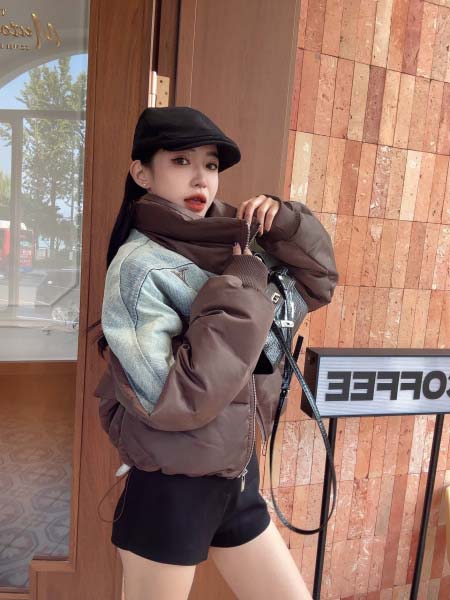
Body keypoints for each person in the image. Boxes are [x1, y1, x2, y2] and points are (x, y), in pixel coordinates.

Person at [93, 106, 338, 600]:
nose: (200, 178)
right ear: (142, 172)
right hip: (172, 492)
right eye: (181, 161)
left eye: (210, 164)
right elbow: (175, 397)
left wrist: (286, 226)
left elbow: (318, 284)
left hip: (237, 480)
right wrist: (241, 290)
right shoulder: (139, 269)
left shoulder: (237, 245)